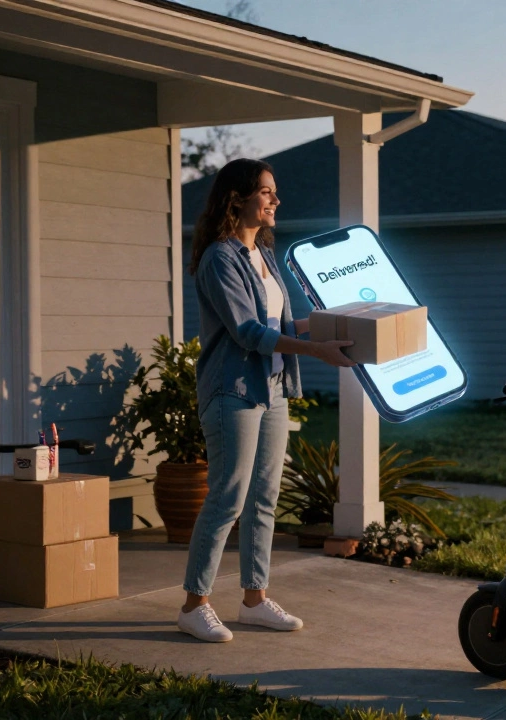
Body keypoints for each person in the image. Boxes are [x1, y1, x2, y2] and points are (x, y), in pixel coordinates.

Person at [178, 158, 355, 643]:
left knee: (264, 499)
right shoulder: (220, 258)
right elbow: (249, 332)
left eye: (274, 192)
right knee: (227, 497)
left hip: (272, 391)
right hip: (232, 392)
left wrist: (332, 322)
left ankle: (254, 599)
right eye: (265, 192)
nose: (275, 200)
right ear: (237, 199)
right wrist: (317, 349)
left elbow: (280, 324)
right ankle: (195, 604)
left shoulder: (266, 257)